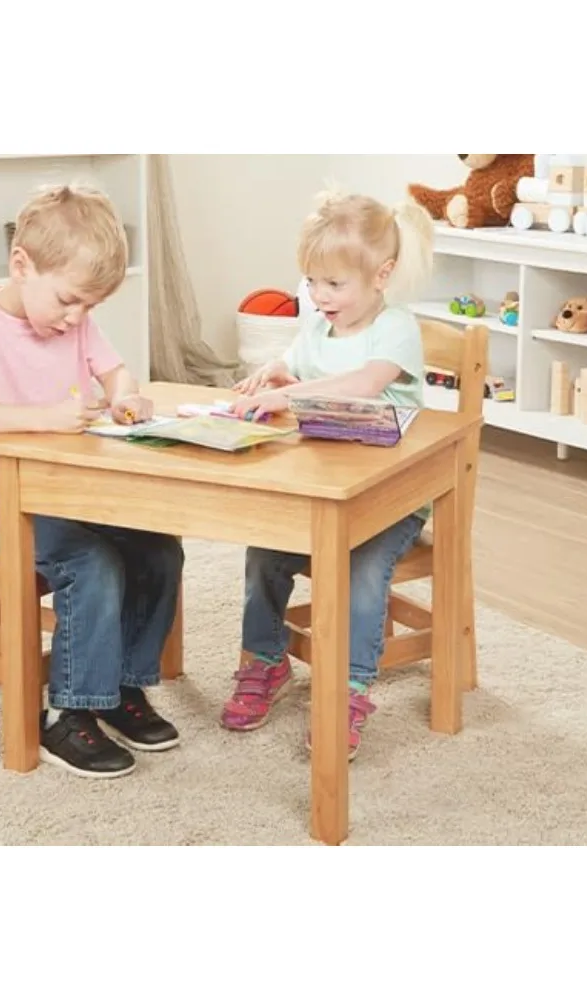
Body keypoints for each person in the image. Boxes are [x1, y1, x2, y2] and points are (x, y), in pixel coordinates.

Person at [0, 183, 184, 780]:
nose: (77, 319)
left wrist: (127, 398)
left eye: (89, 309)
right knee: (92, 564)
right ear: (22, 265)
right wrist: (41, 419)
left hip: (79, 495)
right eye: (70, 301)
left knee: (158, 549)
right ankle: (69, 712)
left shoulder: (72, 322)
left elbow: (115, 371)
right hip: (12, 509)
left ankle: (122, 687)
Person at [221, 189, 435, 760]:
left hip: (391, 500)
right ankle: (264, 661)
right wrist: (274, 370)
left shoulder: (396, 330)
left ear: (381, 276)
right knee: (265, 548)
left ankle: (349, 690)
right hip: (320, 488)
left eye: (334, 284)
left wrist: (287, 394)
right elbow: (295, 359)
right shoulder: (317, 325)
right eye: (312, 282)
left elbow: (364, 384)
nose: (319, 297)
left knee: (361, 569)